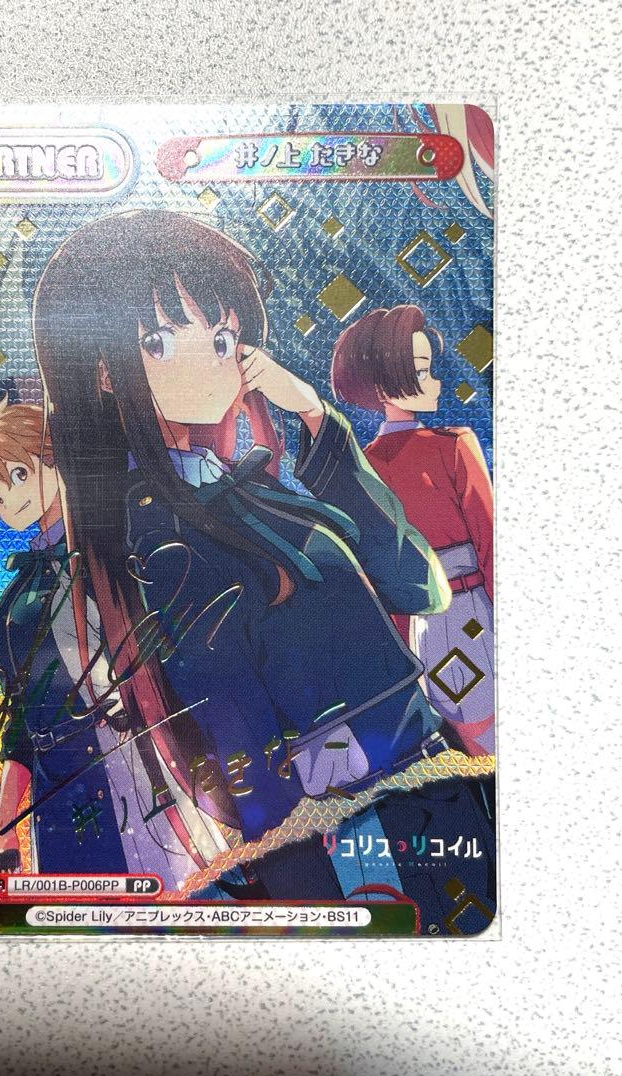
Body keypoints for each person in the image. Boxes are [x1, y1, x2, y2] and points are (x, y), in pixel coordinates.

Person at [30, 210, 495, 921]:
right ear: (100, 368)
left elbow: (417, 583)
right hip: (355, 839)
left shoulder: (249, 489)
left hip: (425, 788)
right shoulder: (153, 540)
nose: (212, 362)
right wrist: (311, 889)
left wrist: (313, 414)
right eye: (161, 340)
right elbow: (241, 765)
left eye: (222, 338)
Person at [0, 398, 226, 889]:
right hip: (62, 801)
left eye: (19, 475)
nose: (10, 502)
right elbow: (20, 726)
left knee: (185, 898)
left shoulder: (119, 550)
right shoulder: (12, 609)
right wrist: (4, 828)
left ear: (55, 457)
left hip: (143, 772)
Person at [331, 304, 494, 756]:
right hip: (470, 611)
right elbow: (491, 544)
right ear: (384, 385)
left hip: (424, 628)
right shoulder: (454, 446)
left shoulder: (359, 469)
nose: (436, 382)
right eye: (423, 371)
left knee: (470, 727)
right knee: (486, 726)